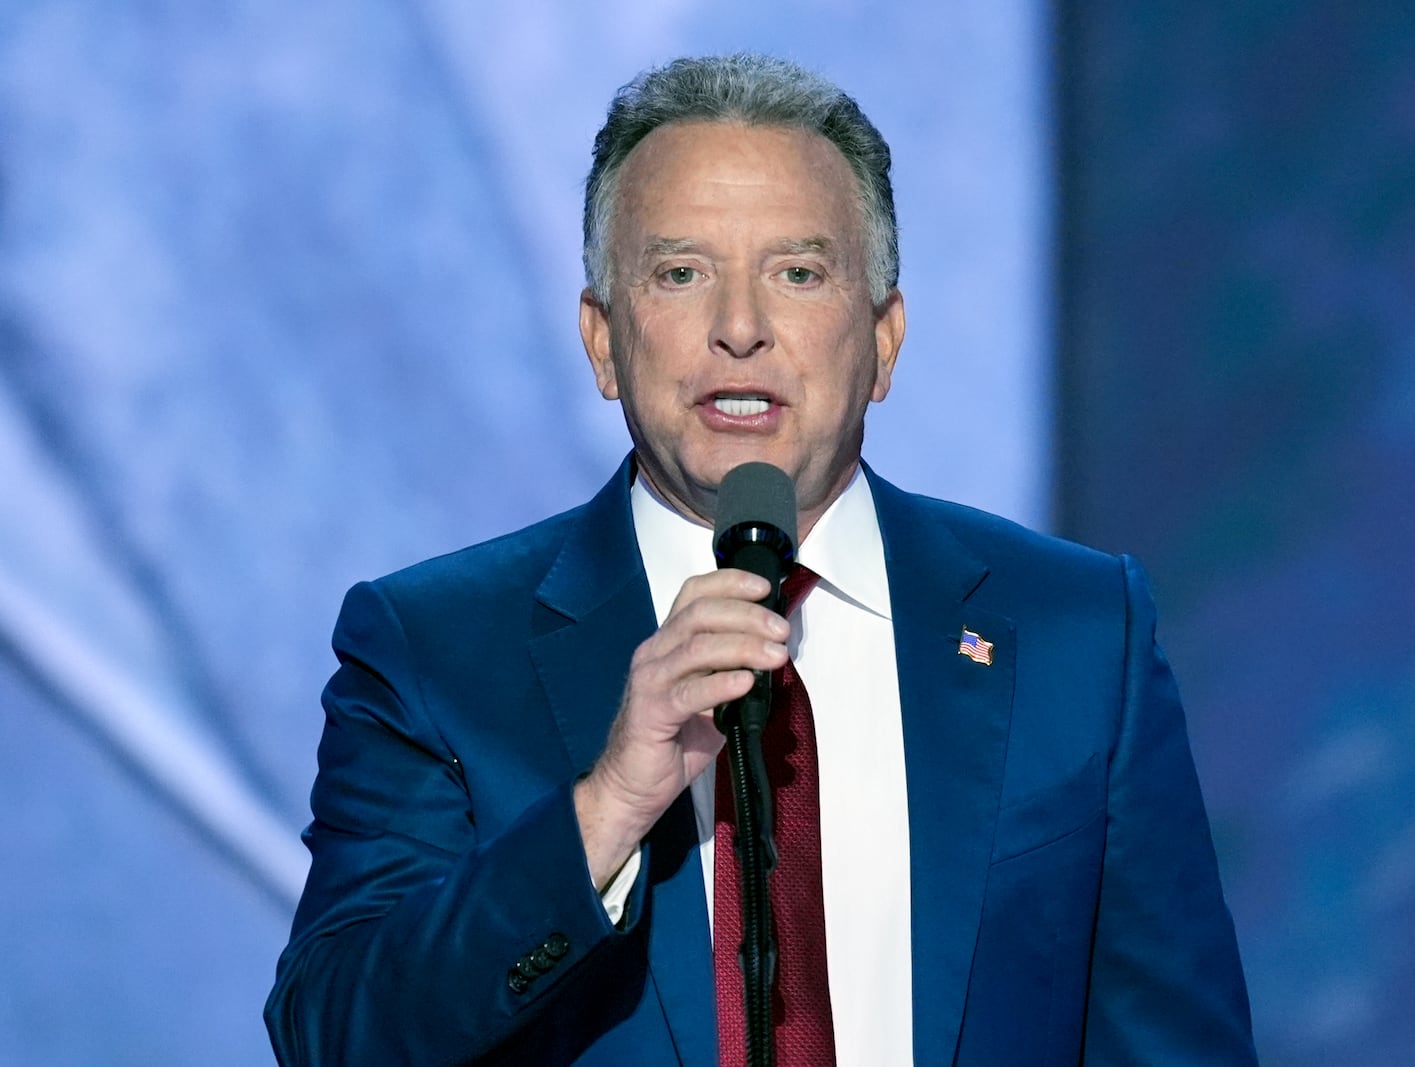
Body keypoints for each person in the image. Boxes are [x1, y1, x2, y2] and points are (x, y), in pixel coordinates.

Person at [265, 53, 1256, 1065]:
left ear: (884, 340)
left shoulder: (1077, 631)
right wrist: (604, 808)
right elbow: (332, 1036)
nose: (739, 329)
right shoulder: (432, 648)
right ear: (603, 342)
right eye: (680, 273)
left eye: (797, 272)